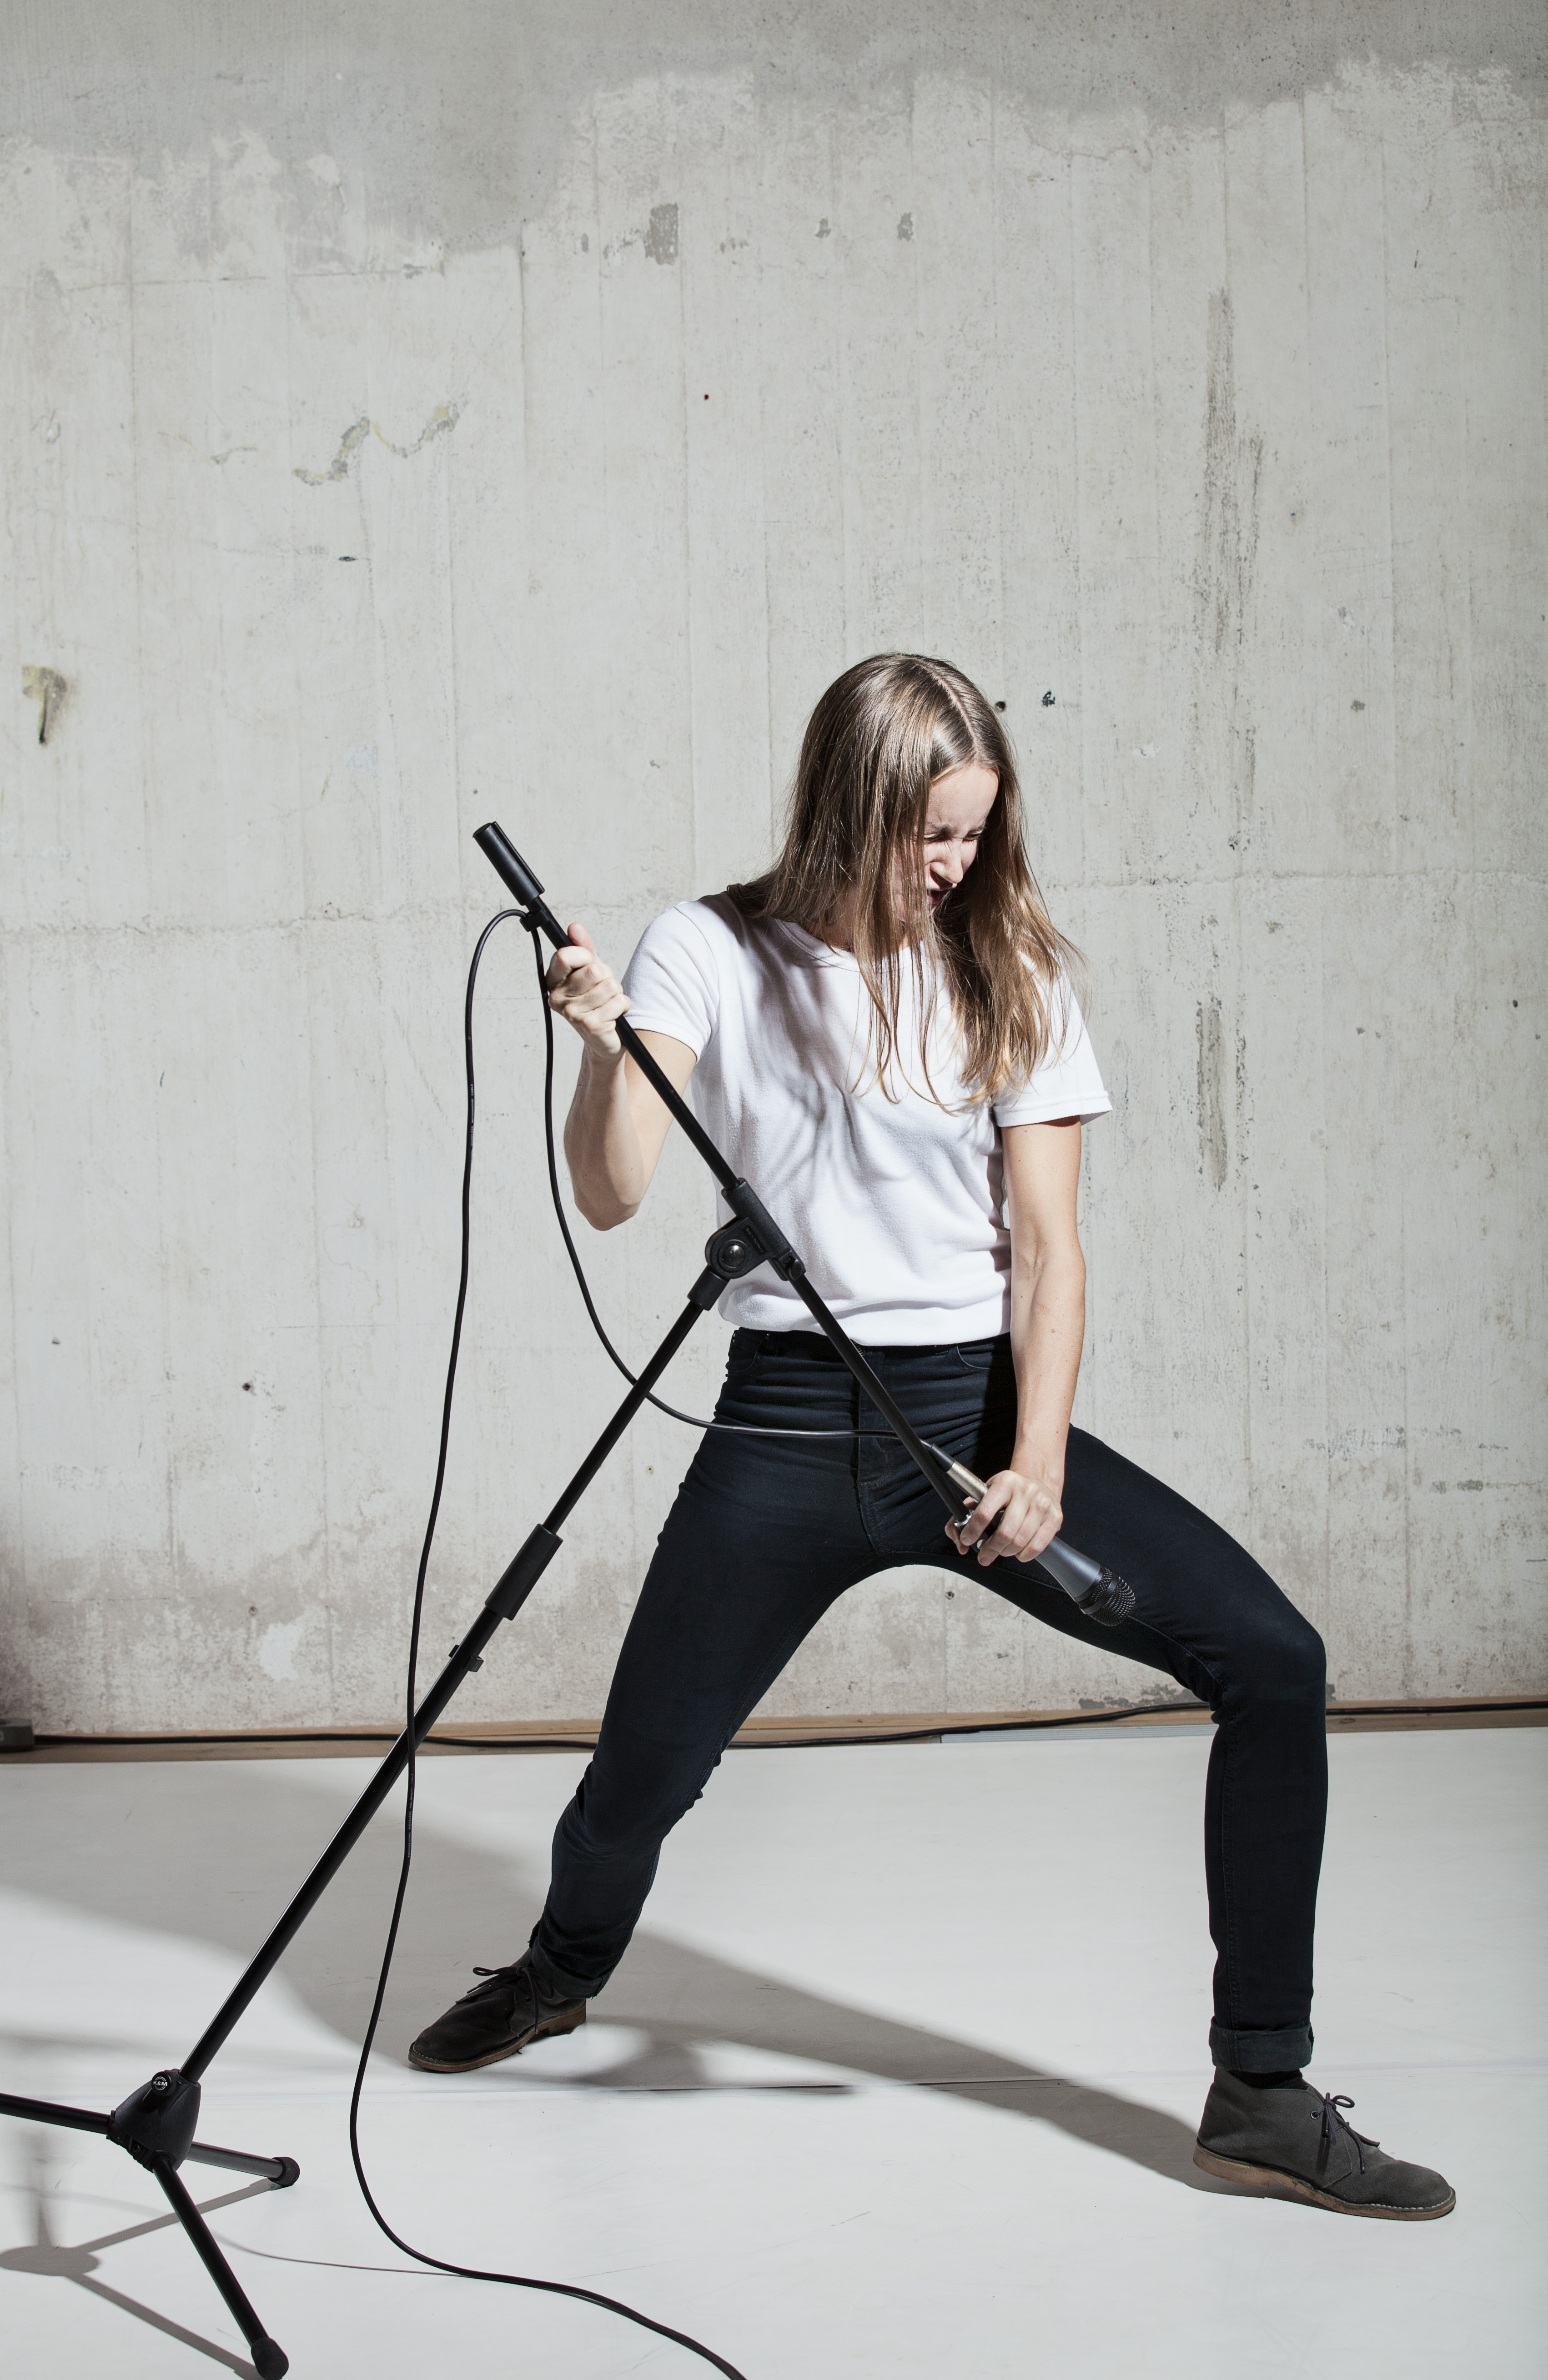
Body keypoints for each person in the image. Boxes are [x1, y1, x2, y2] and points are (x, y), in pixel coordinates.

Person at [411, 654, 1452, 2220]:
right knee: (635, 1781)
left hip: (971, 1418)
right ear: (851, 807)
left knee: (1274, 1660)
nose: (955, 863)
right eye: (928, 833)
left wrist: (1040, 1464)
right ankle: (561, 1971)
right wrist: (603, 1044)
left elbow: (1051, 1253)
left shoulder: (1009, 966)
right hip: (782, 1424)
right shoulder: (710, 949)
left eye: (974, 831)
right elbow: (614, 1195)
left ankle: (1262, 2091)